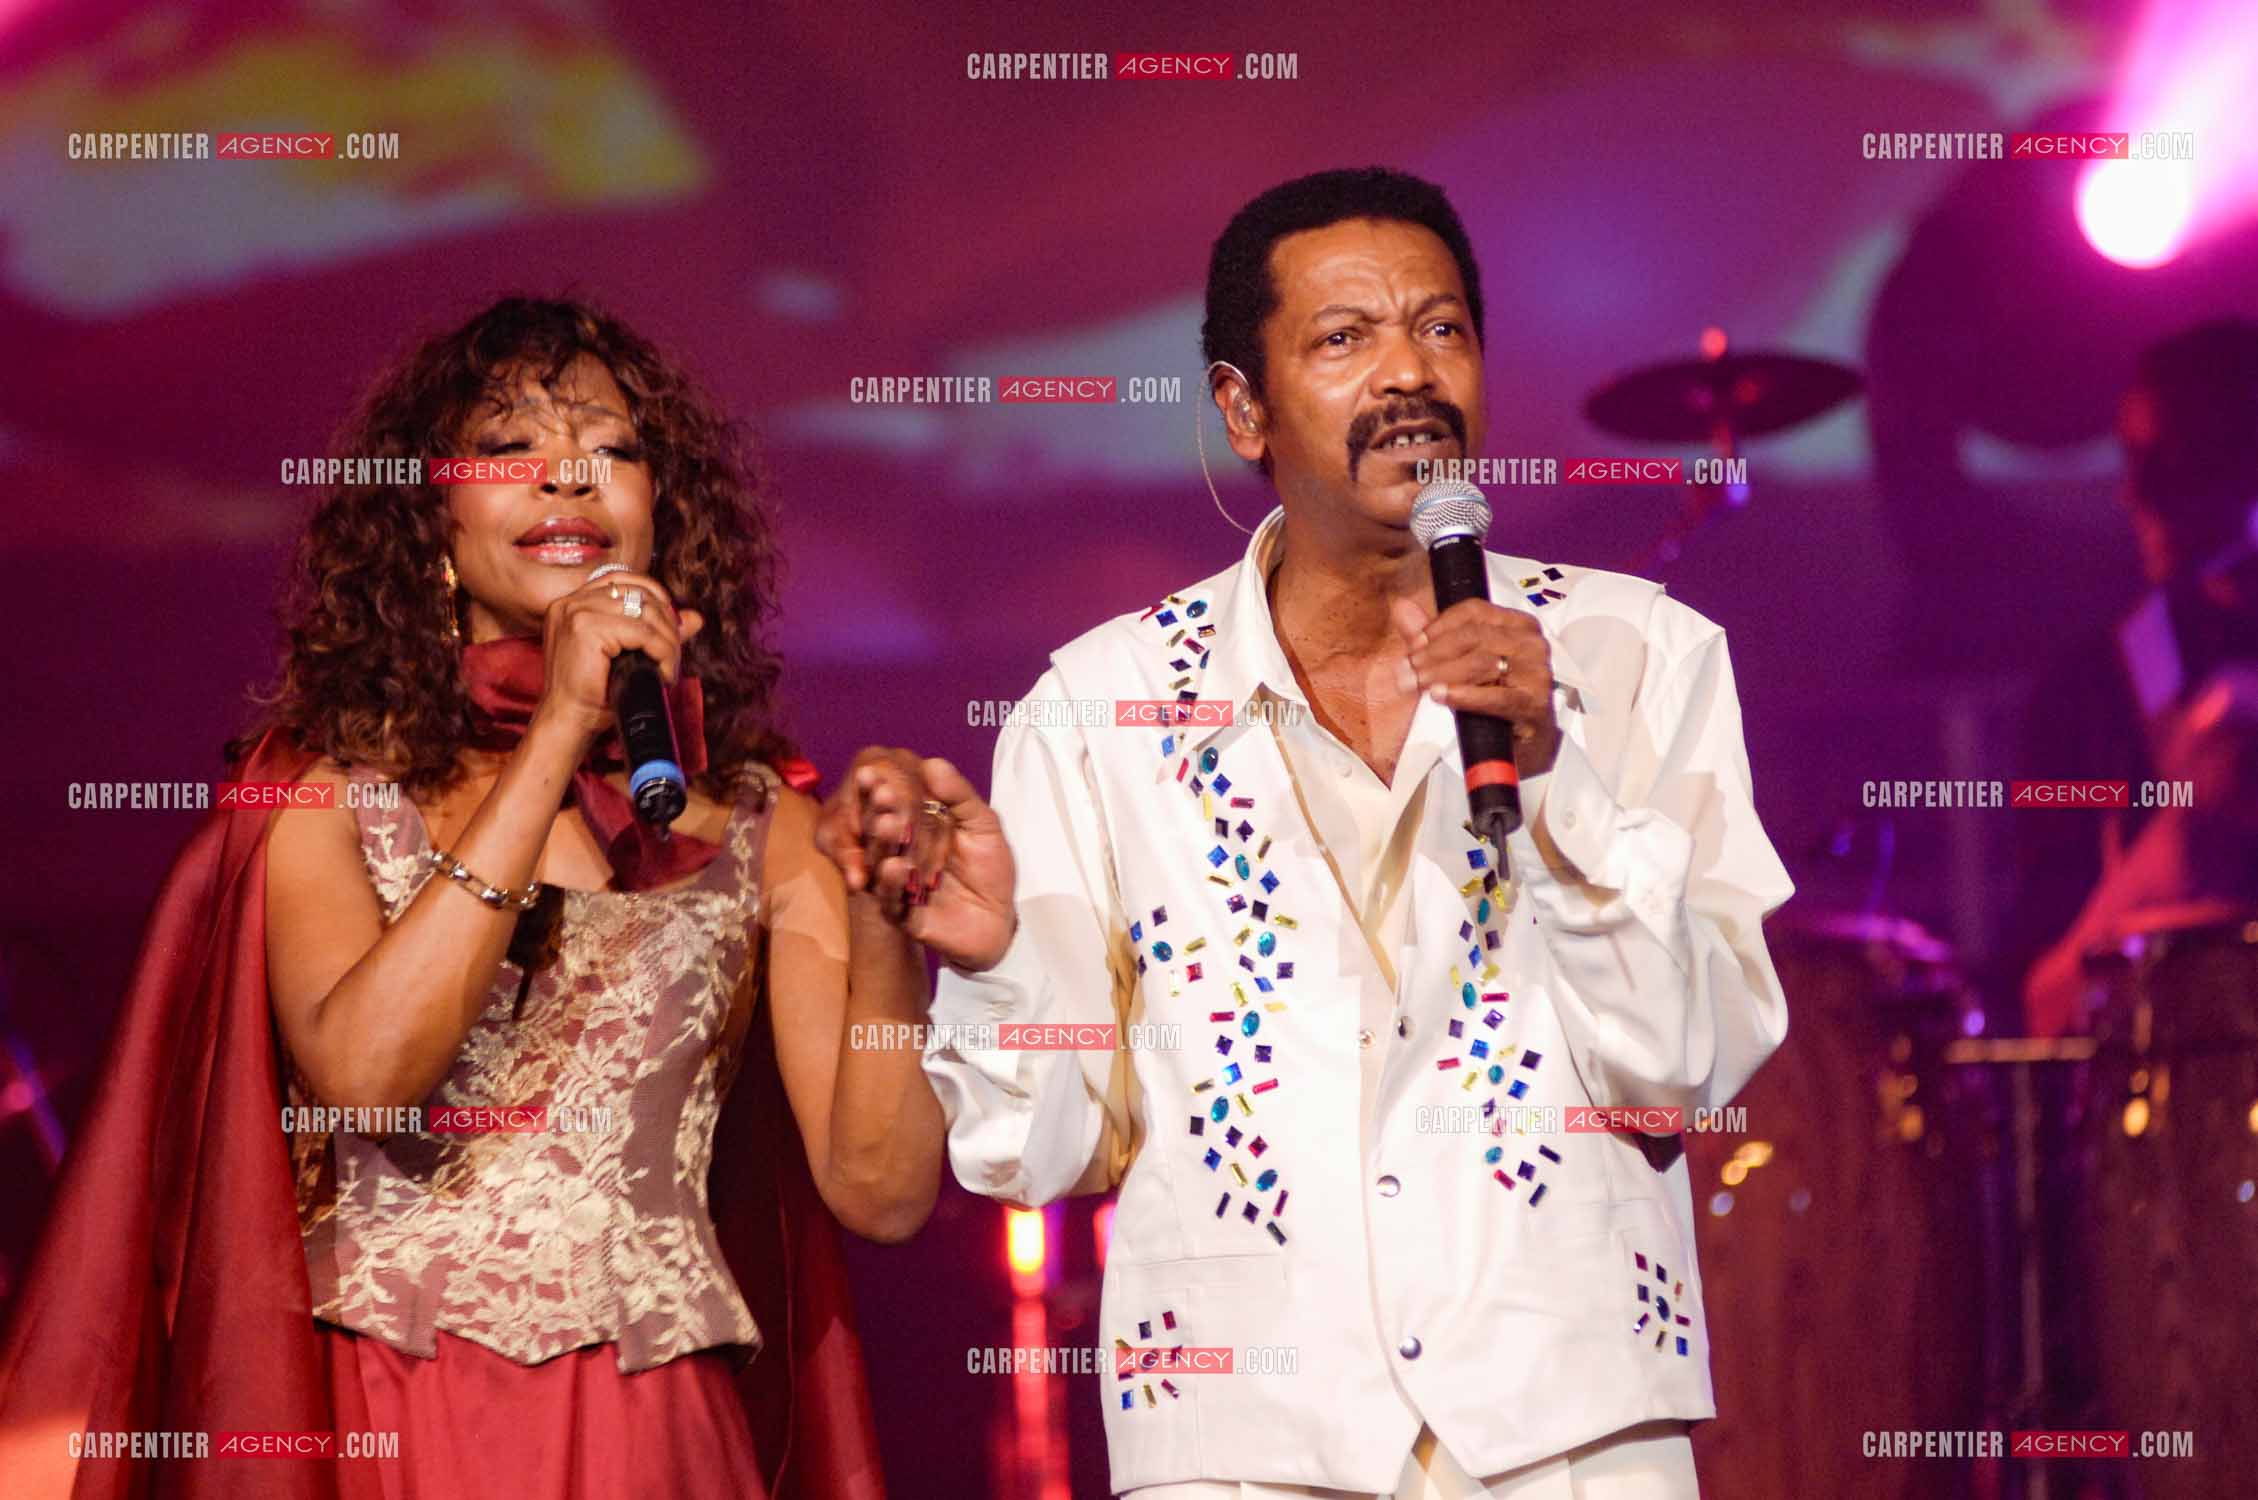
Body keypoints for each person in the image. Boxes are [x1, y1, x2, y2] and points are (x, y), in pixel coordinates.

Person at [0, 296, 1015, 1500]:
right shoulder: (319, 801)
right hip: (387, 1416)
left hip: (656, 1426)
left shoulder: (762, 825)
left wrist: (881, 922)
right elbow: (368, 1070)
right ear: (434, 529)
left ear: (660, 515)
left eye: (607, 449)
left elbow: (881, 1192)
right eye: (511, 450)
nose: (566, 480)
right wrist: (555, 740)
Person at [921, 168, 1794, 1499]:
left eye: (1441, 330)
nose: (1409, 374)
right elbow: (1028, 1152)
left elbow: (1676, 1073)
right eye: (1345, 339)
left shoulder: (1639, 660)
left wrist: (1559, 783)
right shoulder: (1092, 710)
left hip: (1567, 1440)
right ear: (1240, 407)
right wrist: (991, 965)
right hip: (1244, 1450)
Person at [2012, 317, 2258, 1035]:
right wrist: (2165, 862)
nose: (2135, 493)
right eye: (2130, 459)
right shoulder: (2085, 693)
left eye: (2173, 459)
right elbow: (2041, 1002)